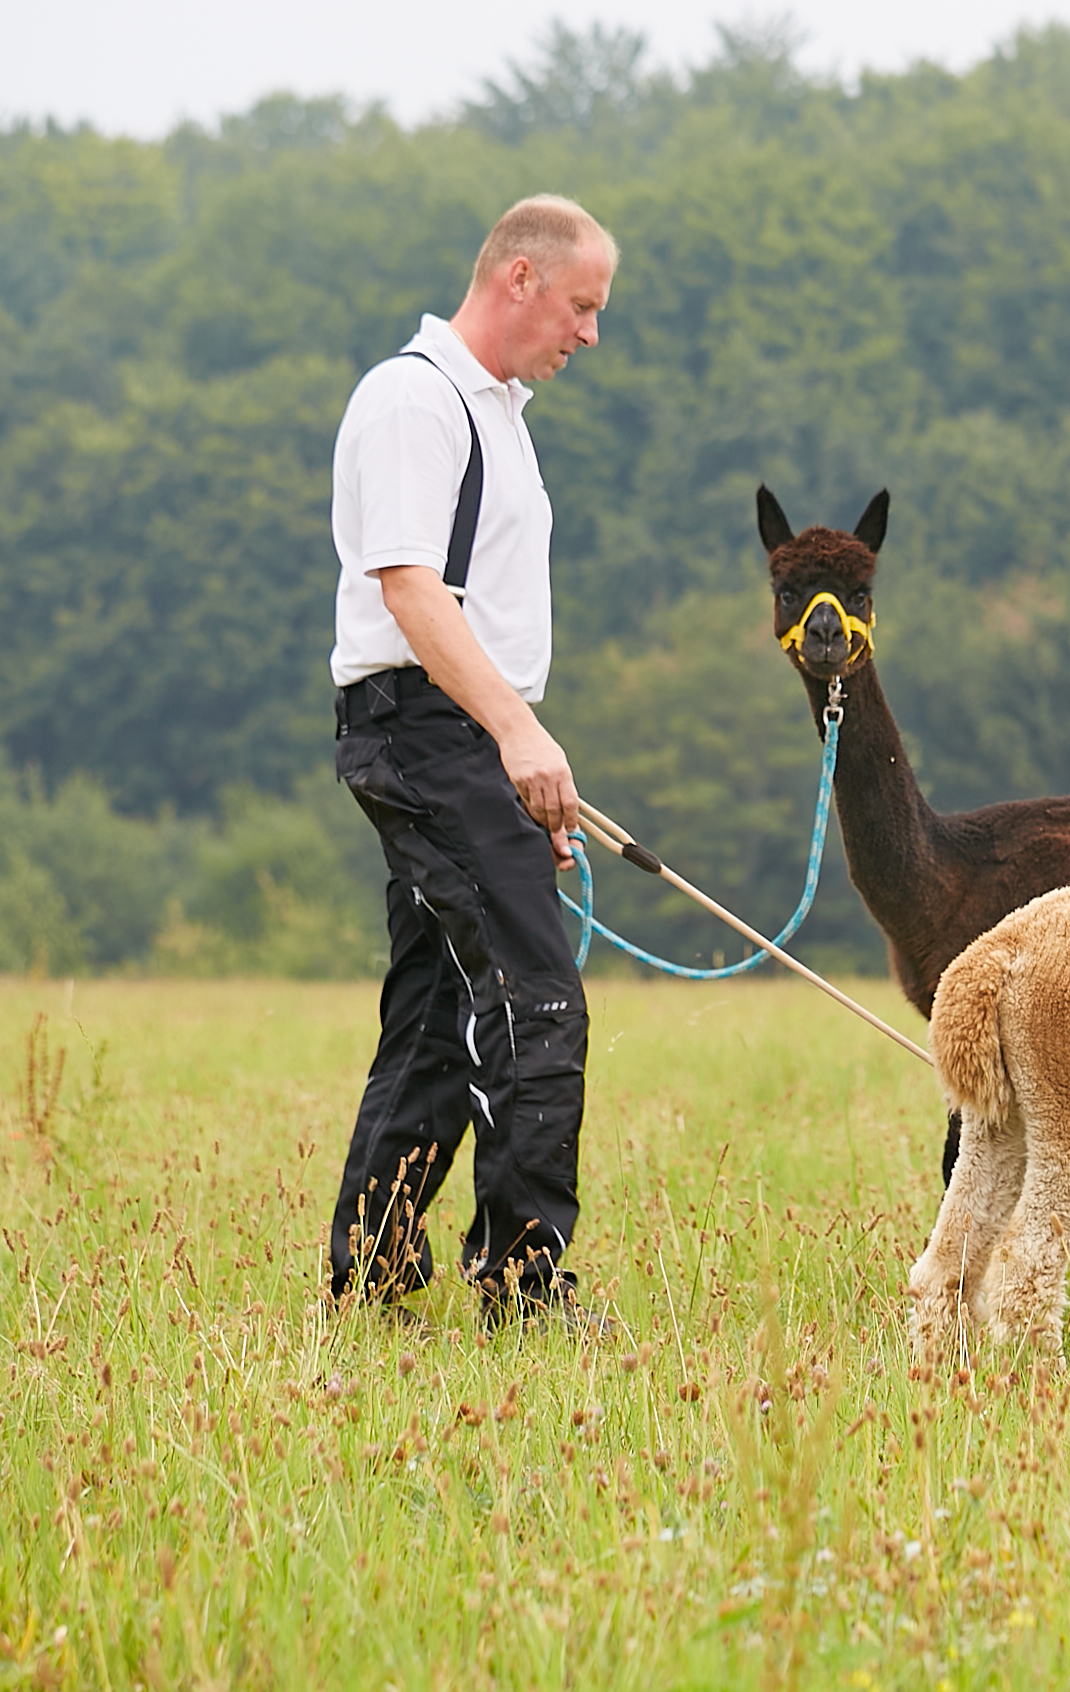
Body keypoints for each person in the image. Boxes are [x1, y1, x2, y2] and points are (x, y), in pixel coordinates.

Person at [324, 194, 616, 1328]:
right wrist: (515, 732)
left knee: (440, 1012)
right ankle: (526, 1289)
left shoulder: (500, 410)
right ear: (521, 280)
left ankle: (369, 1278)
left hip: (464, 735)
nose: (589, 334)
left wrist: (513, 741)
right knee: (535, 1000)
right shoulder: (415, 397)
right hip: (427, 731)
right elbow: (409, 591)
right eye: (582, 307)